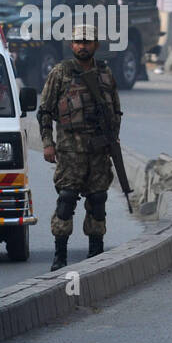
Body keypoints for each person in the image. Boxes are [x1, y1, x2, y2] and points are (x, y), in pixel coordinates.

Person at [37, 24, 122, 270]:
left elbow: (115, 110)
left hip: (98, 152)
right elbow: (44, 111)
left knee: (98, 200)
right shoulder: (61, 73)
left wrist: (113, 139)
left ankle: (95, 254)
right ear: (71, 44)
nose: (82, 46)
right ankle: (59, 256)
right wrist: (47, 144)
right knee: (66, 200)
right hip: (70, 151)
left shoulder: (105, 74)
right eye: (77, 42)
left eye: (87, 42)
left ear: (96, 45)